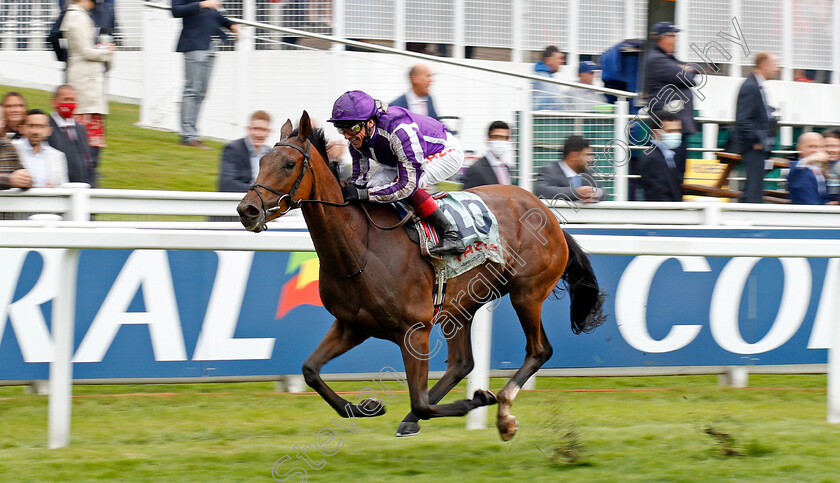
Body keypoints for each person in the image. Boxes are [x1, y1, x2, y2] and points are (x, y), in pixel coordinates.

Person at [327, 90, 466, 255]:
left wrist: (363, 195)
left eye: (353, 128)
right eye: (341, 130)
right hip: (404, 158)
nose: (347, 136)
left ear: (370, 123)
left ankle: (451, 234)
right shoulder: (356, 140)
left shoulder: (399, 130)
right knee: (372, 185)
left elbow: (407, 185)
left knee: (404, 185)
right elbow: (360, 181)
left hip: (444, 152)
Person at [172, 0, 240, 149]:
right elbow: (175, 10)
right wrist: (203, 4)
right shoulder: (204, 2)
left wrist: (231, 25)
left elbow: (213, 15)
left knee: (201, 92)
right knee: (192, 91)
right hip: (193, 45)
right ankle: (188, 136)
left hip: (209, 46)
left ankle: (192, 134)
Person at [62, 0, 114, 174]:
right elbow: (85, 51)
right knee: (85, 128)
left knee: (92, 128)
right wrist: (106, 51)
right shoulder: (77, 16)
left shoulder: (80, 15)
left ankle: (90, 168)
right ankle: (86, 169)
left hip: (88, 82)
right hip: (84, 82)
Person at [644, 21, 698, 183]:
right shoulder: (657, 59)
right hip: (668, 127)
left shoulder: (667, 59)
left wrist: (688, 68)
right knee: (669, 172)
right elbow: (688, 78)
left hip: (676, 127)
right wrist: (686, 70)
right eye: (672, 36)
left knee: (678, 172)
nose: (675, 40)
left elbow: (694, 68)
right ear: (662, 38)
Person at [733, 52, 780, 203]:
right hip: (754, 147)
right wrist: (755, 142)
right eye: (774, 65)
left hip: (758, 145)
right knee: (754, 189)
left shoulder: (756, 85)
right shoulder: (751, 87)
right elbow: (742, 119)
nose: (777, 69)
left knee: (754, 187)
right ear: (763, 65)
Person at [48, 84, 95, 186]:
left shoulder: (81, 129)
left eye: (72, 100)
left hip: (83, 188)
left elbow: (89, 163)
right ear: (54, 102)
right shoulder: (46, 126)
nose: (69, 103)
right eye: (65, 99)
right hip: (59, 188)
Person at [534, 135, 603, 203]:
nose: (591, 158)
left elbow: (603, 192)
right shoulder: (549, 171)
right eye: (587, 155)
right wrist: (577, 192)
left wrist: (594, 193)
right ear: (573, 156)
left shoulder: (586, 173)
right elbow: (542, 191)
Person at [12, 109, 69, 188]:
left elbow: (64, 187)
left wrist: (55, 189)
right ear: (21, 129)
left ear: (49, 131)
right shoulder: (10, 149)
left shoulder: (57, 156)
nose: (35, 131)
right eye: (31, 126)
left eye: (41, 127)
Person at [219, 110, 273, 192]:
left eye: (263, 130)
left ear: (269, 132)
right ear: (249, 129)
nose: (259, 134)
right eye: (256, 129)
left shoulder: (271, 154)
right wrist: (259, 191)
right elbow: (227, 184)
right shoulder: (233, 149)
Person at [640, 111, 683, 202]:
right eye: (670, 131)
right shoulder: (652, 158)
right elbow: (657, 193)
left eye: (678, 130)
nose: (676, 134)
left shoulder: (669, 155)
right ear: (656, 133)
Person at [462, 121, 513, 189]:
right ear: (488, 140)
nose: (501, 141)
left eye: (505, 138)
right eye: (496, 137)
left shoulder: (506, 168)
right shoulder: (476, 170)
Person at [787, 132, 835, 205]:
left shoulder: (822, 168)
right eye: (811, 147)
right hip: (804, 212)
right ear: (799, 148)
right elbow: (796, 170)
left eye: (821, 147)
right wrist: (808, 160)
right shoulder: (797, 167)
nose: (817, 150)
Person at [0, 104, 32, 191]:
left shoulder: (8, 146)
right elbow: (11, 180)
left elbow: (23, 176)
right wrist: (9, 180)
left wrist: (25, 180)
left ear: (3, 123)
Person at [533, 46, 566, 111]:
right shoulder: (542, 78)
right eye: (559, 58)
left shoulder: (548, 78)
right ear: (548, 60)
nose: (562, 61)